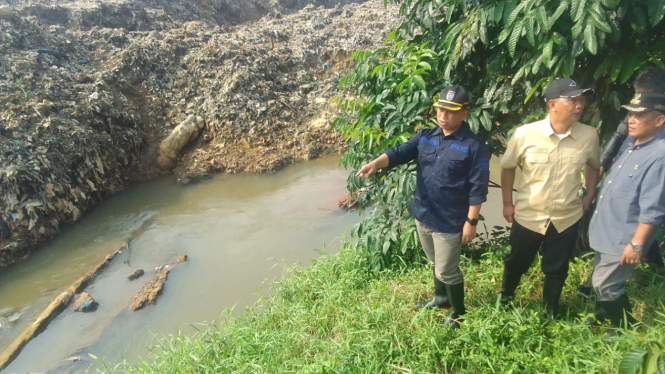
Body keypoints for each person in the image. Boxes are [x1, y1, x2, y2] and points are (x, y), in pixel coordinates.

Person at [356, 85, 490, 330]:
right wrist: (375, 163)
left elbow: (477, 188)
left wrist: (471, 222)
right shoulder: (426, 136)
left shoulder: (474, 147)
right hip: (423, 214)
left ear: (464, 114)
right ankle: (440, 299)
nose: (443, 115)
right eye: (440, 109)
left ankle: (458, 312)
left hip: (450, 221)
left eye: (450, 111)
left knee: (447, 270)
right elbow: (399, 153)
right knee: (434, 263)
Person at [498, 77, 601, 319]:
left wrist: (590, 193)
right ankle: (505, 299)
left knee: (557, 267)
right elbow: (507, 167)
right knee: (516, 262)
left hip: (567, 216)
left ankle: (551, 310)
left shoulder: (589, 135)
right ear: (552, 104)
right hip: (528, 215)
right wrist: (506, 203)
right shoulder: (525, 134)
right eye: (573, 100)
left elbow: (594, 166)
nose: (579, 105)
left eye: (581, 100)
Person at [577, 68, 665, 299]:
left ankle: (616, 281)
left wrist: (636, 244)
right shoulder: (637, 123)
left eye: (645, 96)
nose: (637, 104)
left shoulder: (658, 141)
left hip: (652, 182)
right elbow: (617, 139)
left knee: (644, 218)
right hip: (628, 181)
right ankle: (605, 289)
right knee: (629, 219)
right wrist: (597, 177)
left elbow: (653, 205)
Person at [588, 91, 665, 331]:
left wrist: (637, 244)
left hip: (625, 235)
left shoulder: (660, 155)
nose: (631, 119)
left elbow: (654, 207)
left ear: (660, 120)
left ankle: (625, 328)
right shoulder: (632, 142)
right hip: (607, 229)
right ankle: (604, 315)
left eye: (639, 115)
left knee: (605, 283)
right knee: (601, 276)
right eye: (630, 114)